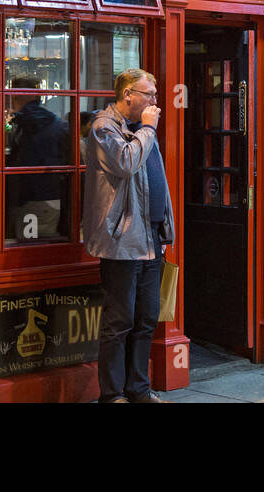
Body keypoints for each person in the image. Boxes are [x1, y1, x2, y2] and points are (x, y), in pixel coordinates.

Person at [83, 67, 174, 404]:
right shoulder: (105, 128)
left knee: (147, 318)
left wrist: (166, 227)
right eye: (149, 94)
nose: (155, 102)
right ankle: (112, 395)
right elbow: (125, 163)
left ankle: (139, 389)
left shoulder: (140, 129)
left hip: (151, 238)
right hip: (122, 240)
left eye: (155, 94)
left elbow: (154, 181)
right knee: (119, 321)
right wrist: (148, 128)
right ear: (127, 96)